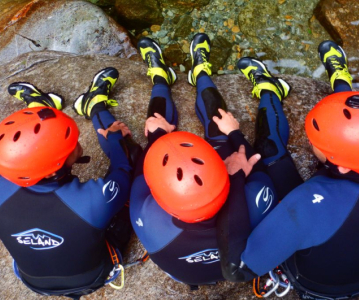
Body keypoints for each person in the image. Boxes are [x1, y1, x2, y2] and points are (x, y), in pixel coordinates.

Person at [217, 40, 359, 300]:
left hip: (316, 285)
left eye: (314, 141)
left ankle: (269, 90)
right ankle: (341, 78)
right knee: (352, 116)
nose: (308, 141)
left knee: (270, 152)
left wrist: (235, 177)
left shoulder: (307, 204)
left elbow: (236, 269)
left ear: (339, 166)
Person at [129, 33, 303, 288]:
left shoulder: (147, 214)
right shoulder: (255, 200)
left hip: (186, 273)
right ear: (223, 171)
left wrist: (158, 135)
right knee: (221, 128)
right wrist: (233, 134)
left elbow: (143, 173)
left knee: (155, 137)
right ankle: (200, 73)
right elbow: (252, 160)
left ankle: (161, 78)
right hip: (237, 245)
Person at [0, 67, 137, 299]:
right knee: (133, 185)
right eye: (72, 143)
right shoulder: (93, 200)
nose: (77, 142)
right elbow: (123, 169)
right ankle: (94, 104)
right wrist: (115, 138)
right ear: (53, 170)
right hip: (93, 277)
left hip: (32, 280)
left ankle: (40, 106)